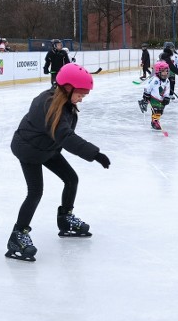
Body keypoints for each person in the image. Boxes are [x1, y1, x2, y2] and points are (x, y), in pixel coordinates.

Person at [6, 63, 111, 262]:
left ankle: (65, 220)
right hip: (29, 149)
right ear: (68, 88)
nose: (82, 98)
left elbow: (63, 135)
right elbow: (66, 136)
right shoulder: (48, 105)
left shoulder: (64, 103)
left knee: (71, 179)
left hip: (47, 148)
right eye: (80, 94)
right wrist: (95, 154)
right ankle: (17, 236)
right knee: (35, 192)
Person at [139, 61, 171, 131]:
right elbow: (148, 87)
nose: (165, 73)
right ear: (158, 72)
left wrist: (166, 97)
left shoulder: (167, 81)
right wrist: (146, 94)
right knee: (156, 110)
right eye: (163, 71)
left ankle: (156, 120)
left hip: (161, 99)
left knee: (160, 111)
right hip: (153, 98)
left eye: (166, 71)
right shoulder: (154, 80)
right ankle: (154, 121)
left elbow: (167, 89)